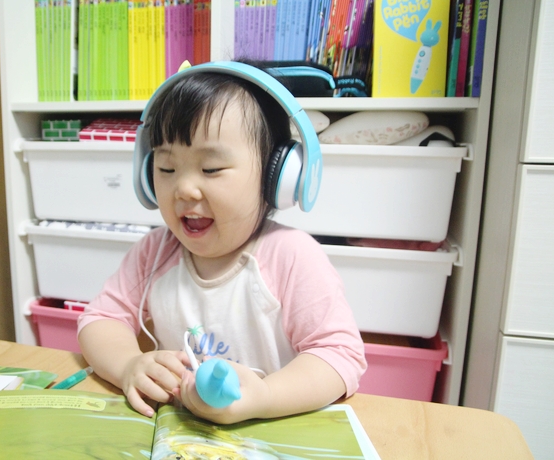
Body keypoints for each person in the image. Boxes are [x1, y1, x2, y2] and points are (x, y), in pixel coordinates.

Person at [78, 63, 366, 425]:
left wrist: (265, 398)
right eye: (167, 169)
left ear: (276, 177)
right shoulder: (155, 252)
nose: (184, 189)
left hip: (270, 428)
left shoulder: (291, 256)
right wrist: (128, 365)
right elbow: (100, 319)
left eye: (211, 169)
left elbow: (339, 355)